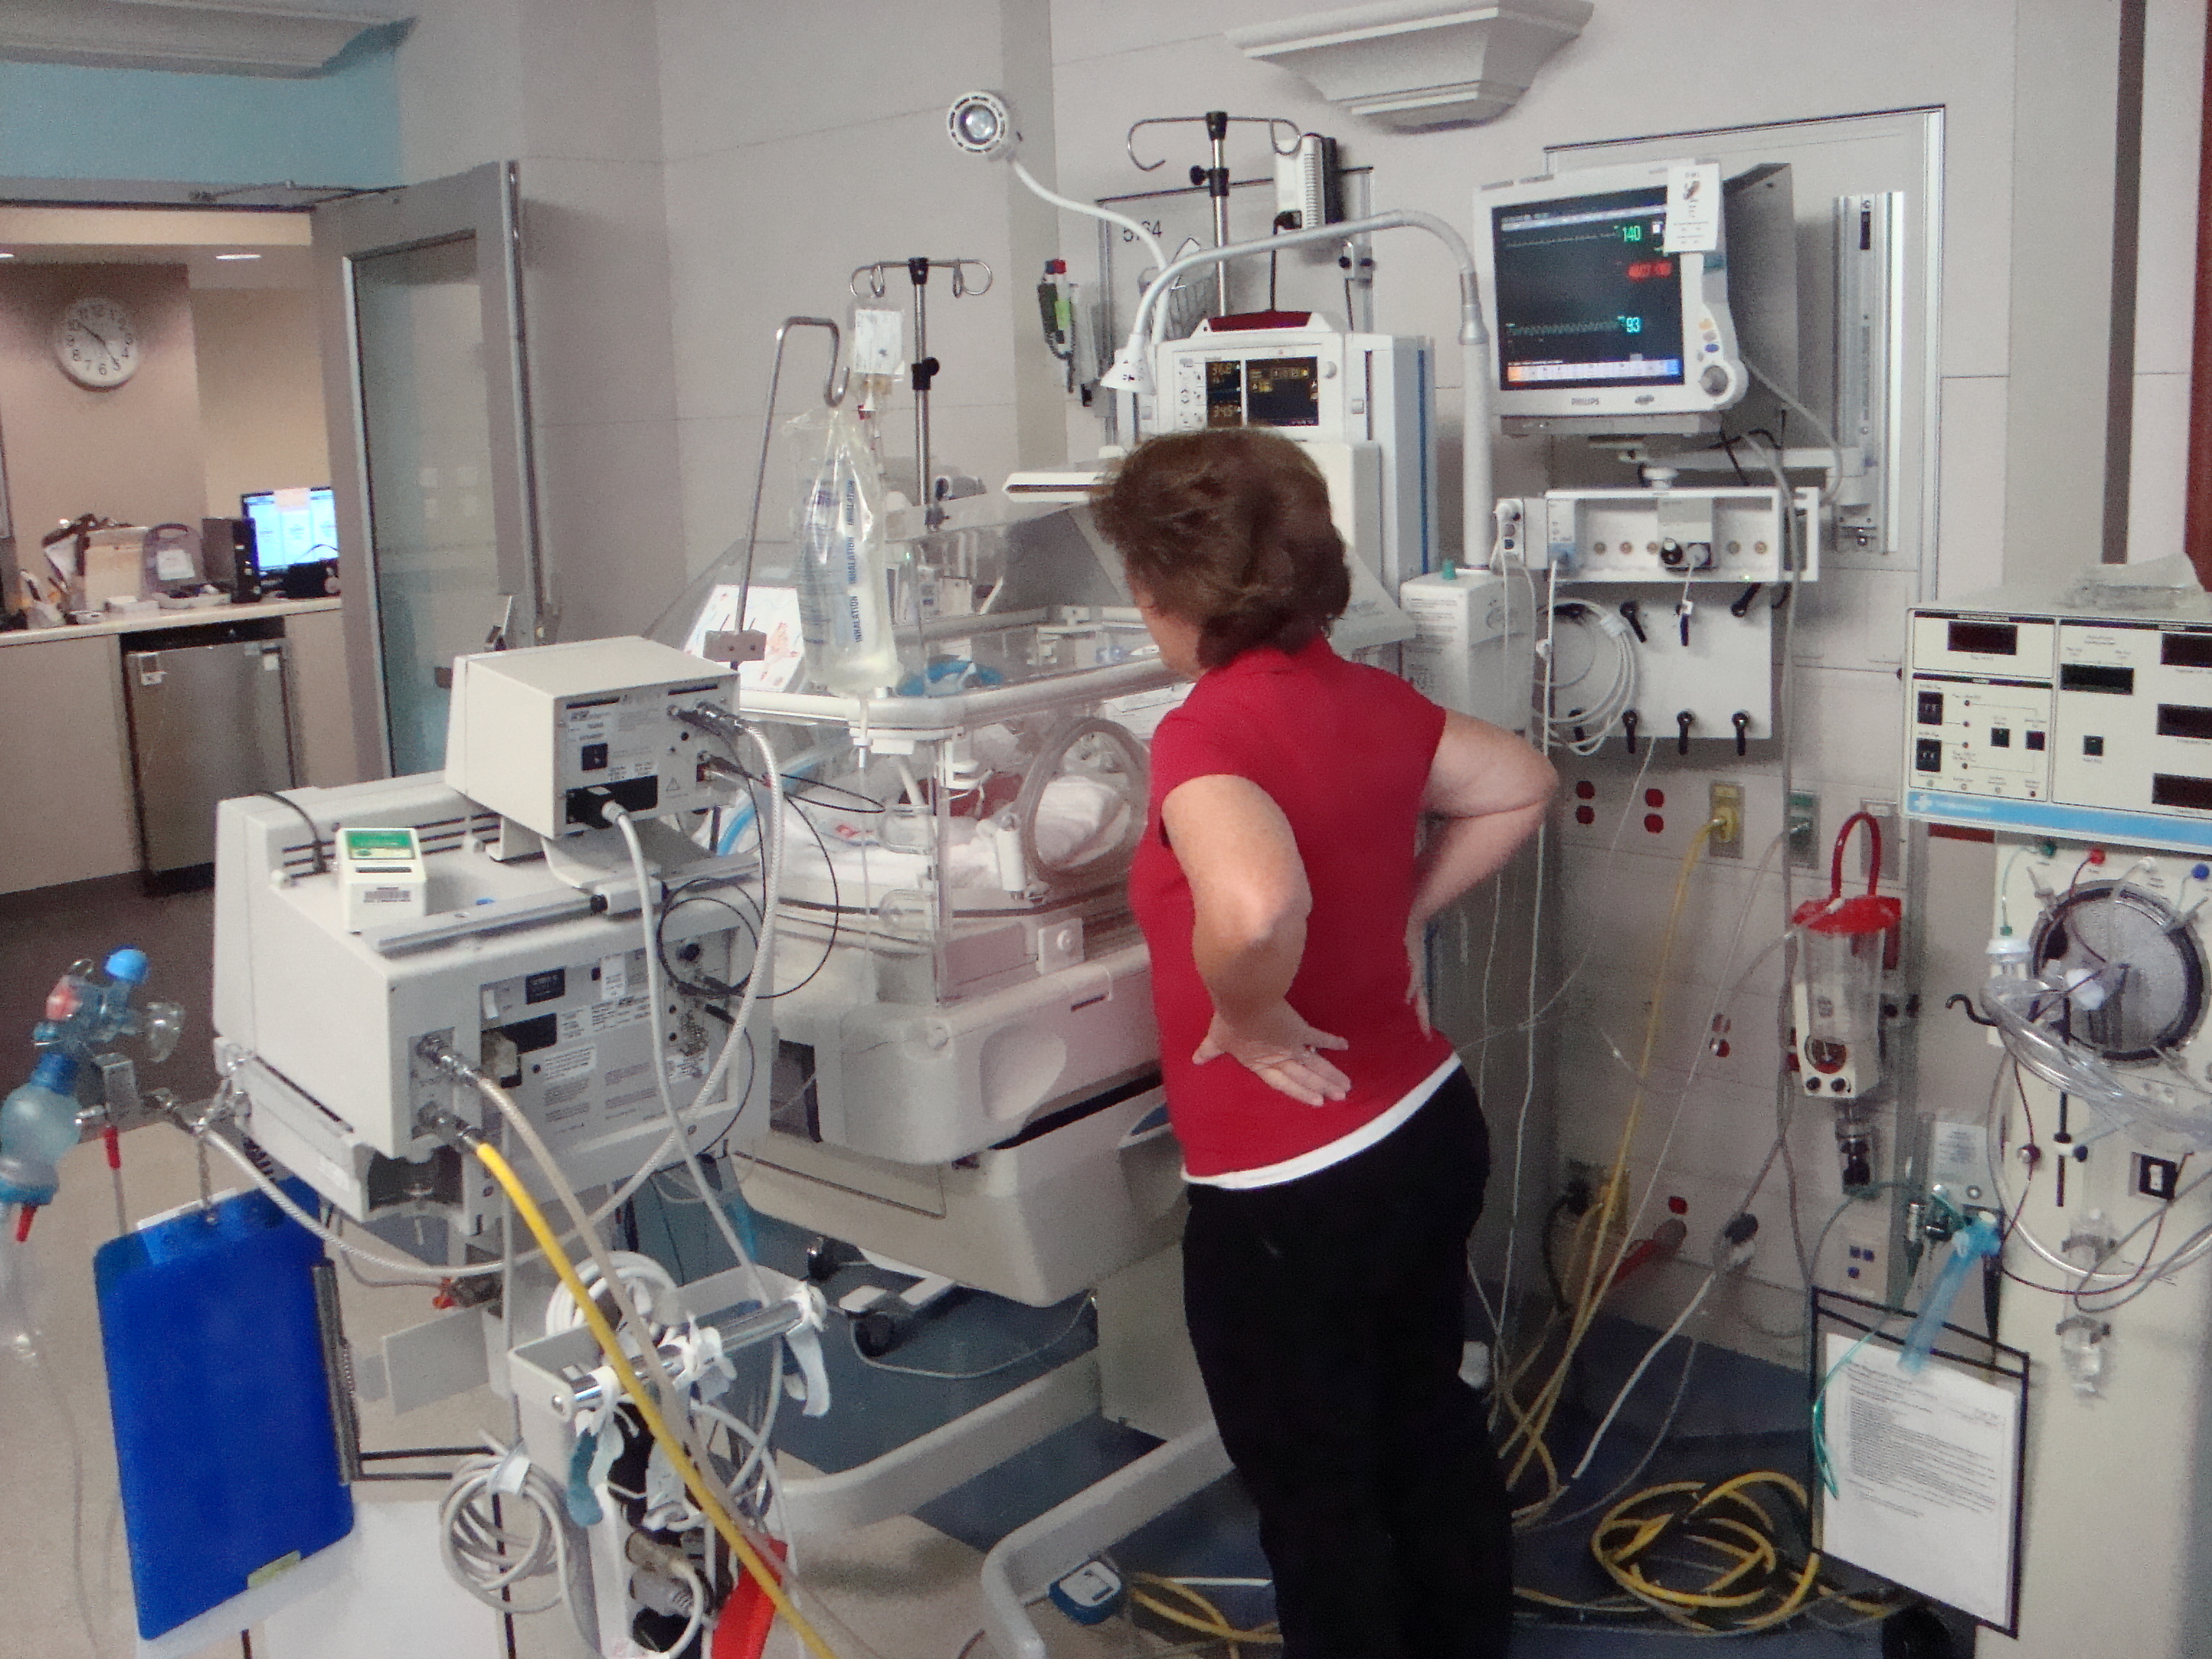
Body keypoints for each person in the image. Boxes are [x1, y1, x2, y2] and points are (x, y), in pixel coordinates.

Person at [1092, 428, 1555, 1659]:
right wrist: (1404, 905)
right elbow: (1522, 782)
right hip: (1425, 1129)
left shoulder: (1206, 735)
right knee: (1428, 1428)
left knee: (1318, 1502)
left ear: (1165, 593)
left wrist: (1247, 1014)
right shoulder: (1370, 699)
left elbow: (1258, 906)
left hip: (1293, 1188)